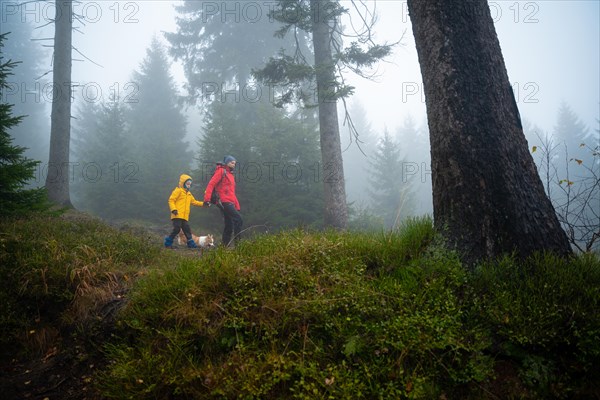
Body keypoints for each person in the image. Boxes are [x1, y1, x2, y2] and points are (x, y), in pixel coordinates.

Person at [204, 155, 243, 247]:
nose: (233, 164)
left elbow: (232, 192)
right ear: (226, 163)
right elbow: (211, 184)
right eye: (231, 162)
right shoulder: (221, 171)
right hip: (223, 201)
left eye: (234, 163)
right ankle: (239, 245)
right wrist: (207, 199)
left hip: (230, 202)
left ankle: (224, 247)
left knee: (229, 225)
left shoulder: (230, 175)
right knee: (239, 219)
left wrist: (237, 206)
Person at [164, 174, 204, 248]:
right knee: (177, 229)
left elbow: (195, 202)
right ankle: (168, 242)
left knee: (187, 230)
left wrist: (204, 204)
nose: (189, 186)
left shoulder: (189, 194)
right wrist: (173, 209)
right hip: (177, 214)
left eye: (190, 184)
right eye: (187, 184)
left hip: (185, 216)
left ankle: (191, 244)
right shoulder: (178, 191)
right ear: (183, 183)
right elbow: (171, 200)